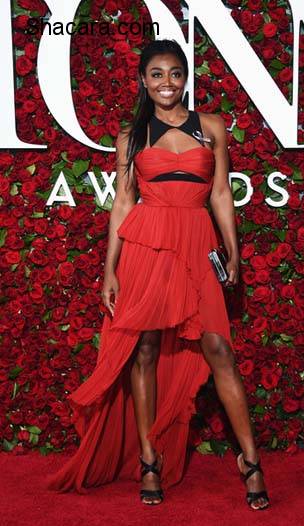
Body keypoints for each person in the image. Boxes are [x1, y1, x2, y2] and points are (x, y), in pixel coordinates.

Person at [46, 38, 270, 511]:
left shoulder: (211, 128)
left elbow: (222, 196)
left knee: (219, 349)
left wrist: (233, 251)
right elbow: (123, 203)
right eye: (156, 74)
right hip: (145, 244)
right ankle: (149, 459)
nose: (166, 82)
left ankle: (250, 460)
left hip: (196, 240)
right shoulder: (133, 135)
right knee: (143, 348)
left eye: (174, 73)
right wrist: (110, 268)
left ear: (185, 78)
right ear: (144, 81)